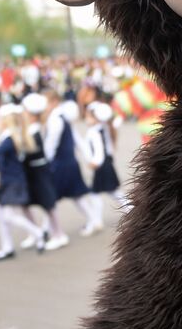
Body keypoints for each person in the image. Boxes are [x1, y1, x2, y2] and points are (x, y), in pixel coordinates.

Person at [0, 105, 48, 261]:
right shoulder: (12, 136)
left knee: (9, 216)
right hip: (8, 182)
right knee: (1, 215)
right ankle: (7, 247)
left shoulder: (10, 138)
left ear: (4, 121)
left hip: (13, 183)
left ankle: (37, 233)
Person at [45, 96, 104, 236]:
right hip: (71, 163)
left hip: (60, 165)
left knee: (50, 198)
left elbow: (50, 145)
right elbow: (79, 141)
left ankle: (46, 231)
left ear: (53, 102)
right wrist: (89, 157)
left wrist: (46, 163)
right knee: (76, 196)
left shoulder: (56, 120)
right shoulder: (65, 120)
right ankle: (94, 220)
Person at [18, 95, 68, 251]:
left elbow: (33, 153)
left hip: (38, 172)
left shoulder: (34, 130)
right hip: (32, 172)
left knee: (48, 204)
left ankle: (58, 234)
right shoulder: (31, 129)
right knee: (26, 203)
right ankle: (34, 233)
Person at [84, 102, 130, 210]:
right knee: (112, 192)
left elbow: (99, 150)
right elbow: (118, 121)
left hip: (102, 165)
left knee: (97, 193)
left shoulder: (95, 131)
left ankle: (96, 221)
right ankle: (131, 209)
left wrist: (95, 162)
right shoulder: (106, 126)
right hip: (107, 163)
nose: (86, 118)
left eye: (88, 116)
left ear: (96, 117)